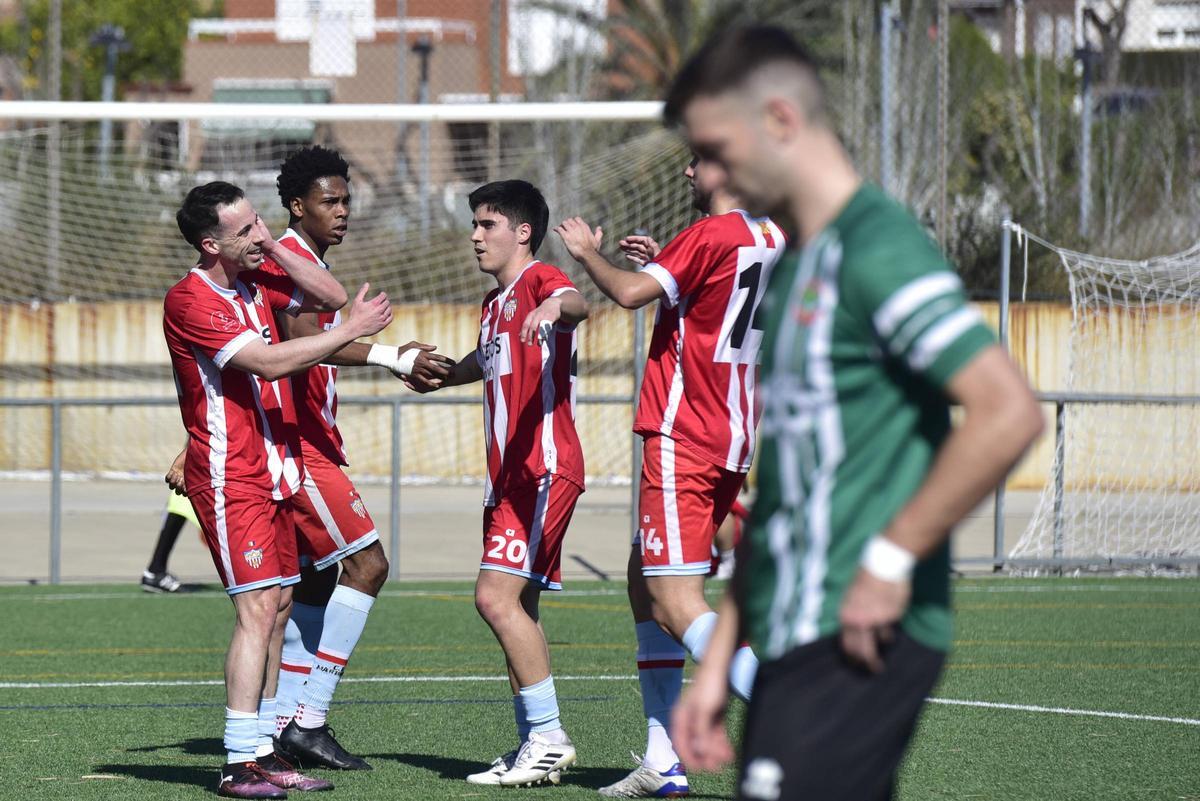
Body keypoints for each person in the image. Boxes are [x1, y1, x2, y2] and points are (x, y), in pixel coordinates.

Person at [663, 26, 1044, 801]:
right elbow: (782, 494)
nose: (711, 173)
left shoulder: (879, 247)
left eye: (717, 147)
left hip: (855, 629)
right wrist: (721, 654)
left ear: (778, 119)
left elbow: (1008, 410)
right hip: (790, 634)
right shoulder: (801, 259)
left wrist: (889, 560)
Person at [554, 154, 785, 798]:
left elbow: (629, 295)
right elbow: (714, 298)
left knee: (678, 604)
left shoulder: (708, 235)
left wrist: (586, 254)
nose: (687, 172)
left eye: (702, 161)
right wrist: (668, 262)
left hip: (684, 435)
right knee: (642, 581)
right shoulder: (772, 235)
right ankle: (664, 760)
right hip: (733, 434)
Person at [165, 180, 393, 798]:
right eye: (243, 230)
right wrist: (356, 333)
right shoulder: (191, 300)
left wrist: (268, 243)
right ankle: (238, 761)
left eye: (259, 222)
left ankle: (264, 748)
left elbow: (332, 294)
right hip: (229, 474)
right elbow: (271, 362)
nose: (258, 234)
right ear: (210, 245)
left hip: (276, 468)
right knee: (258, 610)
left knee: (282, 606)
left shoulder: (253, 278)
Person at [259, 145, 454, 772]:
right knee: (368, 565)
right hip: (296, 446)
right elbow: (297, 341)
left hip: (308, 440)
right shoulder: (288, 263)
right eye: (329, 201)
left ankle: (283, 723)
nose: (343, 211)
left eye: (346, 200)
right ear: (297, 206)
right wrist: (391, 356)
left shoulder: (305, 262)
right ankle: (307, 718)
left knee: (310, 583)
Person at [406, 180, 588, 788]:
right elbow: (487, 363)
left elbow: (577, 302)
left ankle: (550, 735)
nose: (476, 235)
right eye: (475, 224)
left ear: (522, 232)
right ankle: (532, 743)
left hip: (542, 467)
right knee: (518, 608)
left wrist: (550, 307)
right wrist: (439, 374)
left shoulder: (538, 281)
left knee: (493, 598)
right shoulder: (493, 304)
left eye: (488, 224)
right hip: (507, 478)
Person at [141, 445, 196, 593]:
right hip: (202, 462)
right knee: (180, 504)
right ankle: (155, 570)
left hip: (204, 460)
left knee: (179, 505)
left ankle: (155, 569)